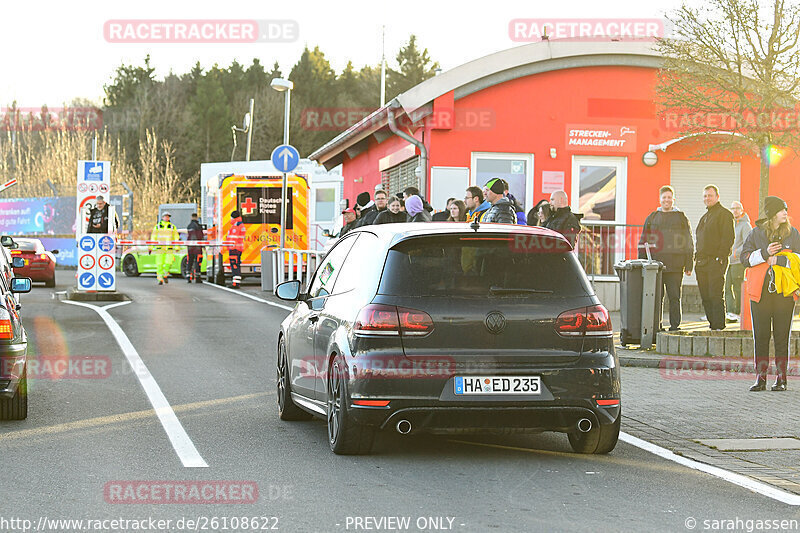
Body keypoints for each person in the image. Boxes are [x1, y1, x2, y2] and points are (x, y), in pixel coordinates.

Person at [741, 196, 800, 392]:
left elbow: (799, 260)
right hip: (760, 293)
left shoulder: (793, 234)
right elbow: (745, 258)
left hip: (784, 294)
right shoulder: (756, 233)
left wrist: (781, 261)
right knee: (761, 335)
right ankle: (761, 378)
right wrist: (765, 253)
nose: (786, 213)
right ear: (773, 213)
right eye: (782, 210)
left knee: (782, 336)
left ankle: (782, 378)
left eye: (786, 209)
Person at [637, 186, 694, 331]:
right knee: (657, 297)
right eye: (664, 197)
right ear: (660, 199)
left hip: (676, 265)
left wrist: (689, 264)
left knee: (674, 297)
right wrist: (642, 263)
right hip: (656, 265)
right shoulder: (652, 217)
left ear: (673, 199)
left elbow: (688, 240)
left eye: (669, 197)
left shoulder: (681, 217)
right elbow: (644, 240)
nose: (667, 200)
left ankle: (675, 326)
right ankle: (657, 326)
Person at [695, 185, 735, 330]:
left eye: (710, 195)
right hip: (701, 263)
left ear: (717, 197)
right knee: (705, 296)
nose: (707, 198)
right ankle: (712, 325)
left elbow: (728, 238)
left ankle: (719, 326)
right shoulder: (704, 217)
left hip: (715, 262)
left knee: (715, 294)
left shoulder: (724, 214)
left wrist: (720, 258)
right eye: (705, 196)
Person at [725, 201, 752, 321]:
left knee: (737, 287)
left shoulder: (745, 225)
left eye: (737, 208)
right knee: (726, 287)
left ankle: (739, 313)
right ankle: (729, 312)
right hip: (728, 262)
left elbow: (748, 243)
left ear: (742, 210)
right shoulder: (731, 223)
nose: (735, 211)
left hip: (738, 262)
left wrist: (736, 253)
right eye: (732, 208)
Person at [150, 212, 179, 285]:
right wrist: (151, 247)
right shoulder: (158, 227)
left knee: (168, 263)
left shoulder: (172, 227)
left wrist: (177, 246)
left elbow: (176, 237)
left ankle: (165, 275)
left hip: (169, 248)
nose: (167, 218)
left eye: (168, 217)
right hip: (160, 248)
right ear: (162, 217)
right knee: (159, 264)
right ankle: (160, 279)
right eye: (166, 216)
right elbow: (153, 237)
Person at [226, 210, 246, 289]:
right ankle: (236, 282)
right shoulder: (239, 225)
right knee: (235, 265)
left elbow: (233, 238)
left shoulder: (236, 226)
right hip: (237, 248)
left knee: (234, 265)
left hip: (234, 248)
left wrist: (229, 246)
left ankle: (236, 283)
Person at [186, 213, 204, 284]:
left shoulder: (189, 226)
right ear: (196, 217)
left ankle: (188, 277)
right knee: (198, 262)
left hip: (190, 247)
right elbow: (200, 236)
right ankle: (197, 277)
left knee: (189, 261)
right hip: (197, 247)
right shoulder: (198, 226)